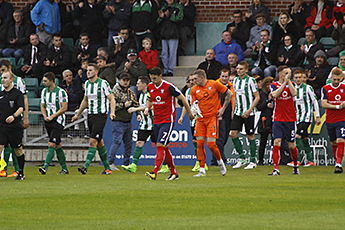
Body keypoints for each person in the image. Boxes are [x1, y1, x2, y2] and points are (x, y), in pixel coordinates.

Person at [145, 67, 193, 181]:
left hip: (168, 120)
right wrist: (148, 108)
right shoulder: (150, 86)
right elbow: (150, 98)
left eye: (155, 78)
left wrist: (189, 113)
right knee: (164, 147)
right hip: (156, 120)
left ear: (161, 76)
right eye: (151, 79)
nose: (153, 81)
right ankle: (174, 172)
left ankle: (154, 171)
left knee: (160, 145)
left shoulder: (169, 87)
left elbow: (183, 98)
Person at [72, 63, 116, 175]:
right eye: (87, 70)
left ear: (96, 72)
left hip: (100, 115)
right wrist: (78, 114)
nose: (88, 72)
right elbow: (85, 100)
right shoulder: (87, 84)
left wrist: (112, 112)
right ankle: (107, 168)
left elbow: (111, 98)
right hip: (90, 115)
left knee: (92, 141)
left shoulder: (103, 83)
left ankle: (85, 166)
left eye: (90, 70)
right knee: (99, 142)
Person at [189, 69, 230, 177]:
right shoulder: (193, 90)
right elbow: (193, 103)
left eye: (195, 79)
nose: (193, 81)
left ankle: (220, 162)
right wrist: (194, 110)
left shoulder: (214, 84)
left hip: (212, 118)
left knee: (211, 144)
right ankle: (202, 169)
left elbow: (229, 94)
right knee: (200, 144)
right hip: (200, 119)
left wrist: (223, 109)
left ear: (202, 77)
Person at [0, 60, 29, 178]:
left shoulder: (17, 93)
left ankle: (20, 172)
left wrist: (14, 116)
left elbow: (21, 107)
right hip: (2, 126)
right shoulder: (1, 94)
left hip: (14, 126)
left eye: (5, 77)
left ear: (11, 79)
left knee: (17, 149)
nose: (3, 80)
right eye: (2, 78)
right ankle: (3, 169)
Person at [269, 66, 299, 176]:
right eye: (286, 73)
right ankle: (276, 168)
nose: (288, 75)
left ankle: (295, 165)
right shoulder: (274, 85)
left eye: (289, 73)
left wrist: (288, 82)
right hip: (278, 118)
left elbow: (294, 93)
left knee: (291, 145)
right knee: (276, 142)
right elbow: (275, 95)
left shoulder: (292, 84)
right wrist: (284, 84)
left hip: (290, 119)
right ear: (280, 74)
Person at [287, 70, 321, 167]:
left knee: (297, 136)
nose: (298, 79)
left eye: (300, 77)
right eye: (296, 77)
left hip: (306, 117)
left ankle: (298, 160)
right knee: (304, 138)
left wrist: (317, 116)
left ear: (303, 78)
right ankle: (310, 160)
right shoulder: (292, 89)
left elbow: (314, 101)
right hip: (296, 117)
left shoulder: (308, 88)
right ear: (293, 79)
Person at [231, 61, 260, 170]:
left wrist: (249, 110)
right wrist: (233, 110)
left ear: (246, 70)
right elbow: (235, 97)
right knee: (232, 133)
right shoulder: (235, 80)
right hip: (238, 112)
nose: (238, 71)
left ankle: (253, 160)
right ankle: (242, 158)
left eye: (241, 69)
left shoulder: (251, 81)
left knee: (250, 136)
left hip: (249, 113)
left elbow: (257, 97)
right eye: (237, 69)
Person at [38, 72, 69, 175]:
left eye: (45, 81)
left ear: (52, 81)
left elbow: (64, 107)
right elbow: (42, 105)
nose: (43, 83)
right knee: (57, 144)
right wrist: (45, 116)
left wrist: (53, 116)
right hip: (48, 120)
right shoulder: (44, 92)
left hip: (58, 121)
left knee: (51, 143)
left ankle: (45, 166)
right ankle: (64, 169)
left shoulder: (61, 92)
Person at [177, 74, 208, 172]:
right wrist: (182, 117)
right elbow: (186, 105)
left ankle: (202, 162)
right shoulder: (188, 92)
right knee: (195, 142)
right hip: (193, 120)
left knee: (200, 141)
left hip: (202, 119)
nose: (192, 82)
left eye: (193, 80)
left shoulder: (203, 89)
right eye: (190, 80)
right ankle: (199, 162)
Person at [122, 76, 154, 173]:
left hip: (154, 124)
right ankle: (134, 165)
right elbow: (142, 107)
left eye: (138, 83)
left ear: (144, 84)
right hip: (144, 124)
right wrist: (139, 114)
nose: (136, 85)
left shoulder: (150, 93)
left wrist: (135, 109)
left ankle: (165, 165)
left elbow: (150, 106)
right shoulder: (141, 95)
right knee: (139, 143)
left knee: (159, 145)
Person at [108, 72, 138, 169]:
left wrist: (138, 113)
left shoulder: (131, 92)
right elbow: (111, 105)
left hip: (128, 121)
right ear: (119, 80)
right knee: (117, 141)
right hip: (118, 120)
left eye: (127, 80)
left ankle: (126, 163)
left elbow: (135, 104)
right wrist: (123, 105)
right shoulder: (114, 91)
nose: (125, 82)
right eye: (123, 80)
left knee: (128, 144)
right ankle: (110, 162)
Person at [321, 68, 345, 173]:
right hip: (330, 119)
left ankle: (339, 164)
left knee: (341, 140)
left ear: (341, 78)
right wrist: (337, 107)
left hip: (342, 119)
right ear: (331, 78)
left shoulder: (344, 88)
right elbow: (323, 103)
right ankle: (337, 161)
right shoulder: (325, 88)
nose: (335, 82)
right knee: (333, 142)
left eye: (337, 80)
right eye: (334, 79)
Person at [213, 68, 235, 166]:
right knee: (220, 139)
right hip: (218, 115)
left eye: (226, 76)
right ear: (219, 76)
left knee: (224, 138)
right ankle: (222, 160)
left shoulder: (231, 86)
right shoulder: (215, 86)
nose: (224, 78)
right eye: (223, 76)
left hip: (228, 115)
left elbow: (233, 99)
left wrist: (233, 111)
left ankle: (214, 160)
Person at [157, 0, 184, 76]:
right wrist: (161, 17)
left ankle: (171, 70)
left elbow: (179, 18)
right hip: (164, 33)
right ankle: (165, 69)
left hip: (174, 33)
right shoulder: (163, 7)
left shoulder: (178, 7)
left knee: (172, 53)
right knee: (164, 53)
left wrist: (169, 15)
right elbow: (158, 20)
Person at [256, 76, 274, 165]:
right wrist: (267, 101)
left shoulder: (276, 93)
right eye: (267, 84)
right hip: (264, 119)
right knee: (263, 140)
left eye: (271, 84)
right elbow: (259, 107)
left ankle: (277, 159)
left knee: (276, 140)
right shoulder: (261, 94)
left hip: (274, 118)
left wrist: (273, 105)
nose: (269, 86)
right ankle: (260, 160)